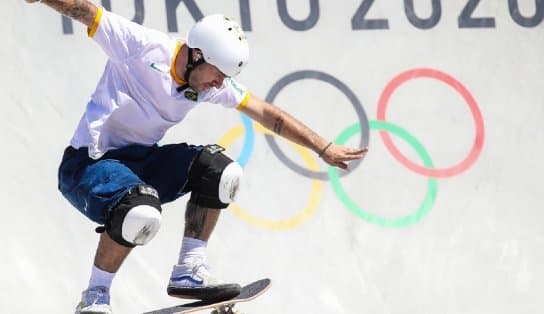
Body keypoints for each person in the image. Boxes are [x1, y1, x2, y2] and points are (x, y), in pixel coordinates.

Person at [24, 0, 368, 313]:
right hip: (88, 166)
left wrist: (321, 146)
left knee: (220, 171)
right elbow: (87, 12)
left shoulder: (207, 82)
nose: (218, 85)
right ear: (197, 55)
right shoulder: (141, 46)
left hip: (141, 164)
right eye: (217, 75)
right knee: (141, 209)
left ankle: (189, 271)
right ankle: (96, 296)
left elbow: (266, 113)